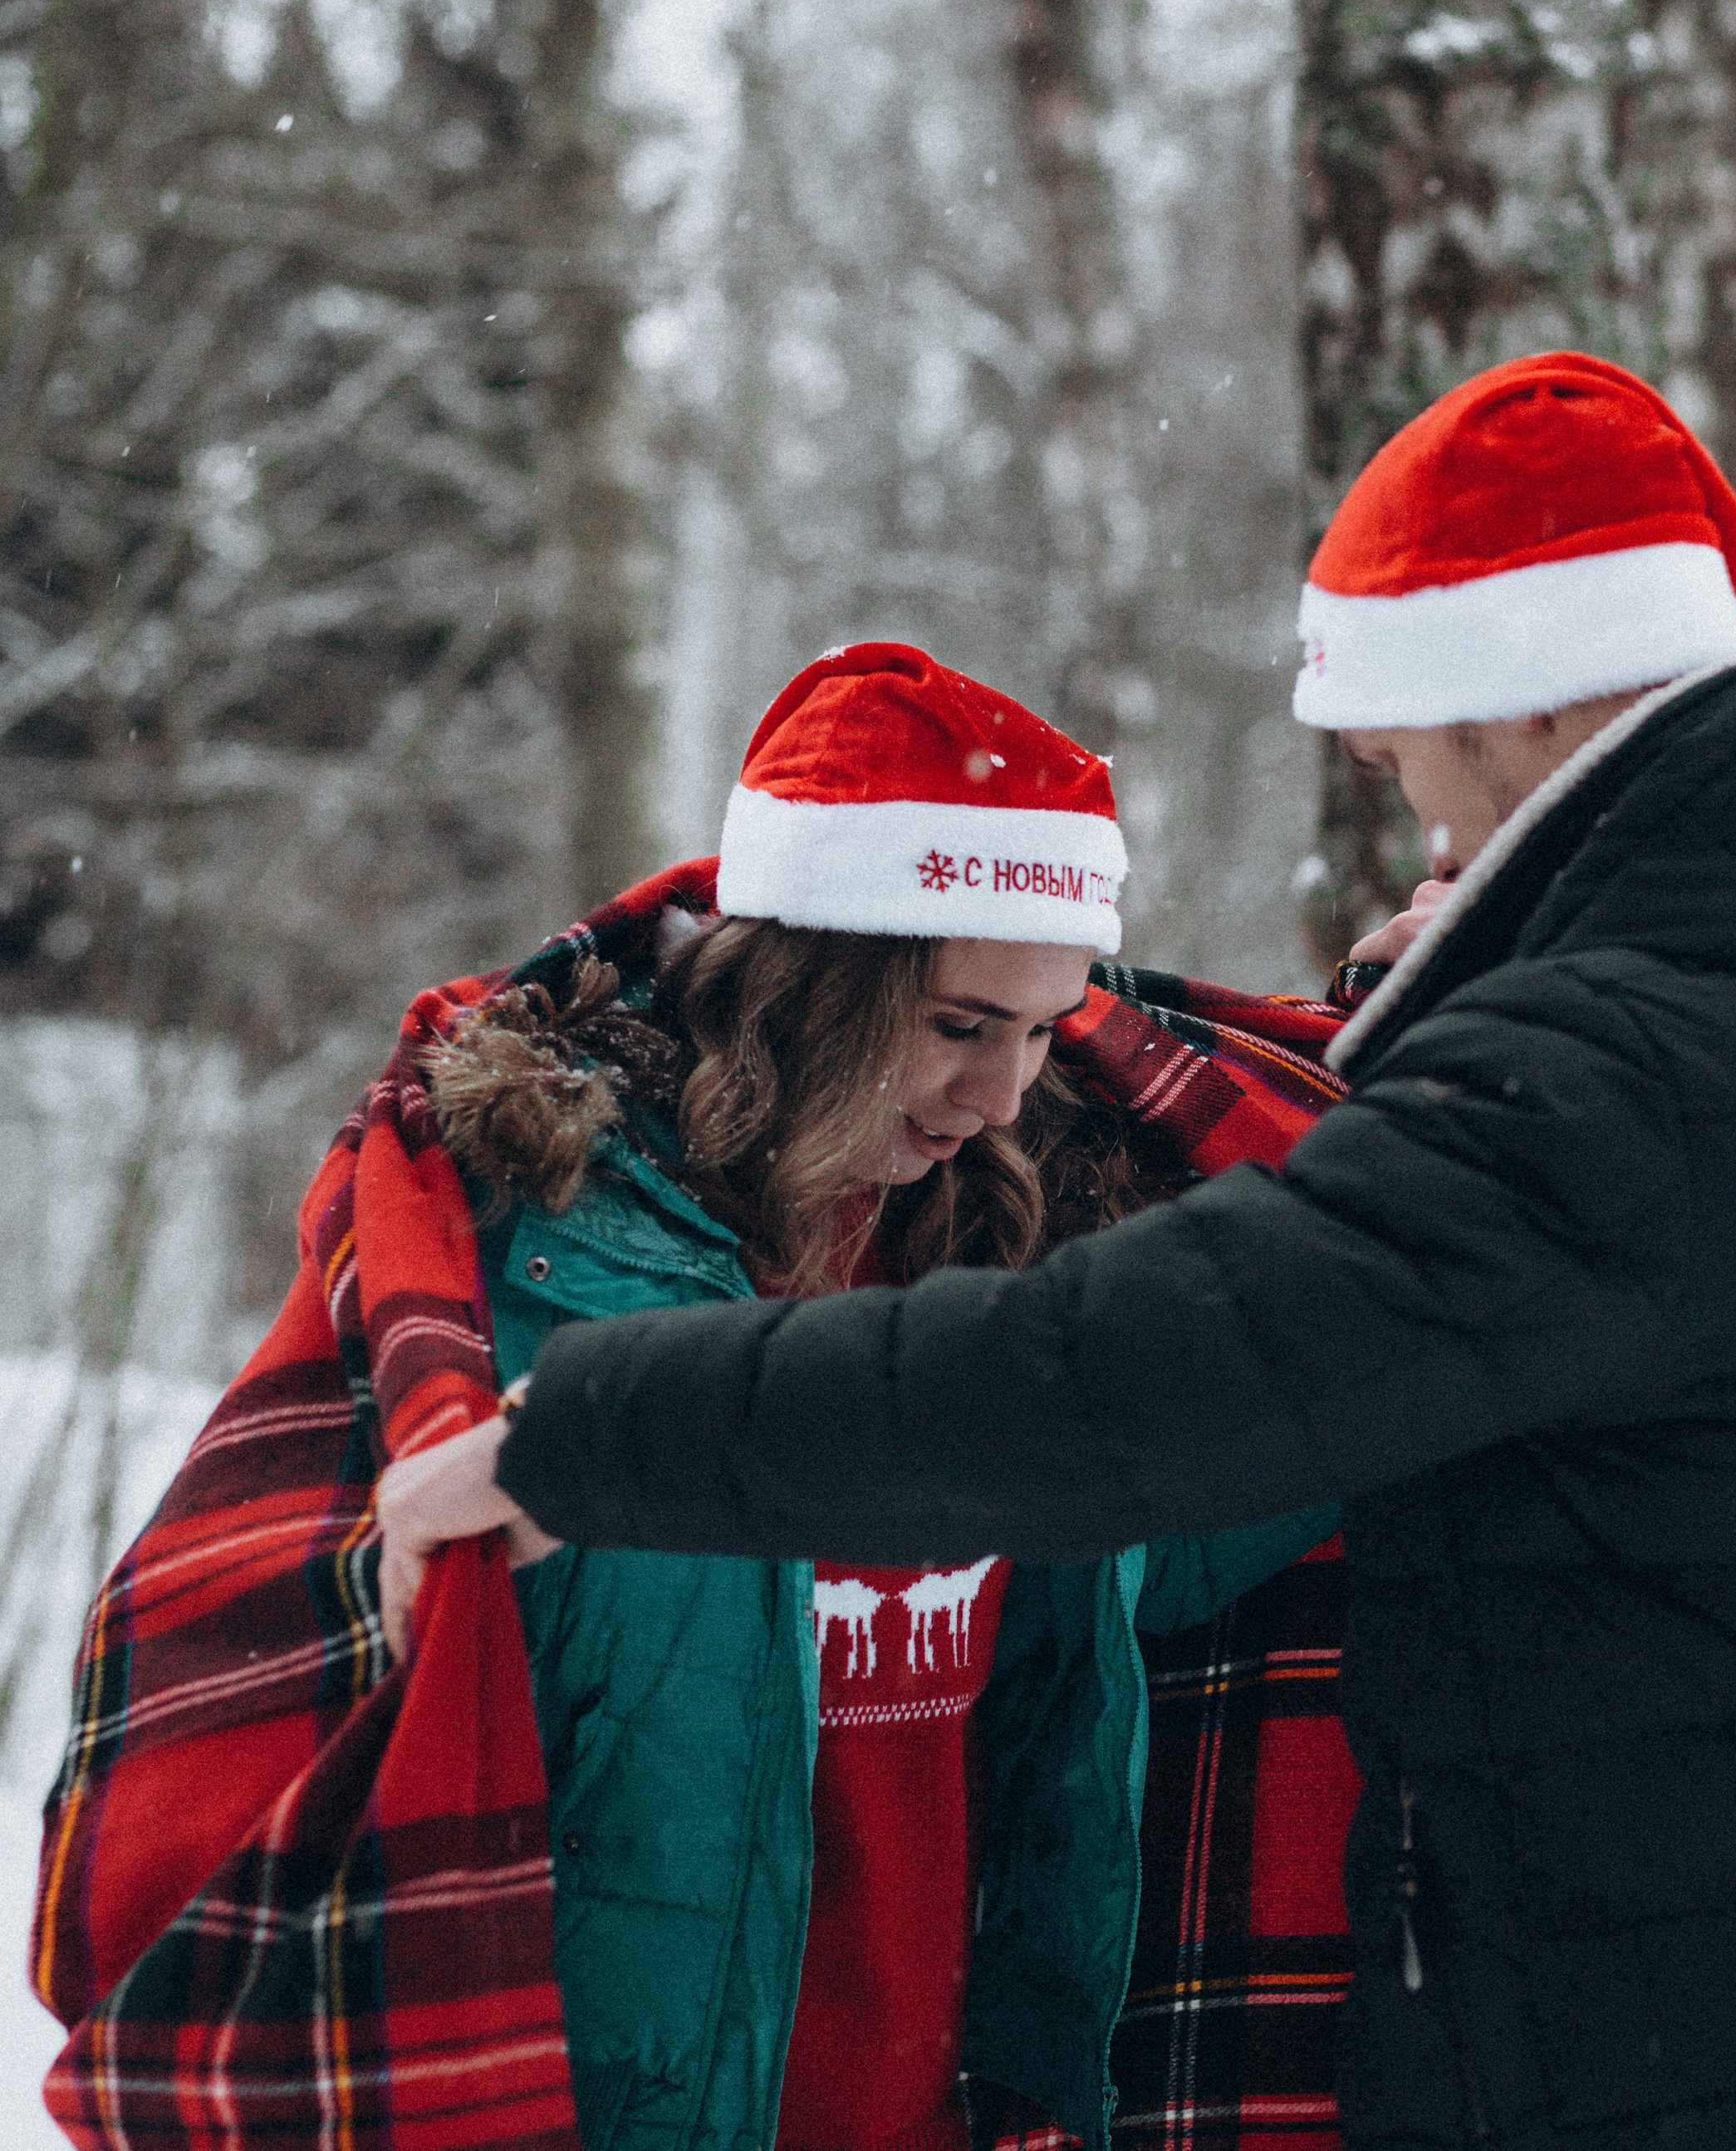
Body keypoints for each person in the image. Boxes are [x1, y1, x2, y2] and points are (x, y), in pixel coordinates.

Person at [382, 351, 1736, 2149]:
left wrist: (593, 1435)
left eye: (1408, 762)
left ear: (1515, 707)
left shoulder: (1628, 1083)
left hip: (1707, 2041)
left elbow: (1126, 1384)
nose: (1426, 833)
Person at [34, 639, 1355, 2151]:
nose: (1003, 1097)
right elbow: (264, 1717)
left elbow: (1199, 1511)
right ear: (808, 987)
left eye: (1046, 1032)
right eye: (959, 1025)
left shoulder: (1034, 1282)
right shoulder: (527, 1281)